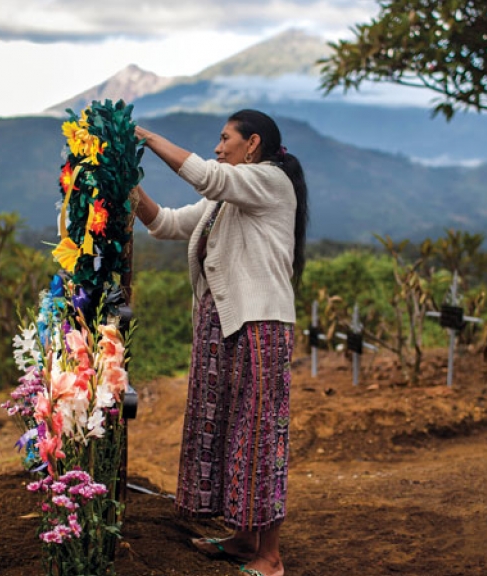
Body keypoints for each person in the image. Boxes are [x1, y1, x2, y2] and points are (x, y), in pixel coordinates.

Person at [132, 109, 308, 576]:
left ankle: (270, 558)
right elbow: (167, 223)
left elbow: (207, 177)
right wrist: (128, 188)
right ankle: (243, 537)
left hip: (258, 325)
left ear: (252, 145)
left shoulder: (269, 181)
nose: (217, 147)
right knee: (231, 428)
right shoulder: (227, 199)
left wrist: (147, 137)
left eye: (224, 138)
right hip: (223, 326)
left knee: (259, 432)